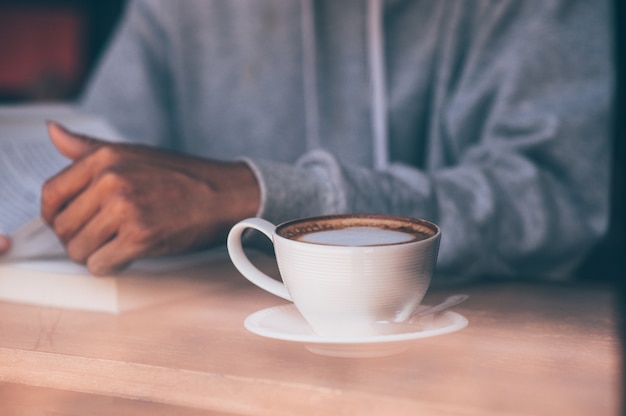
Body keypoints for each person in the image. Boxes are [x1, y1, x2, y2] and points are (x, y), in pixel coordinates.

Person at [0, 0, 613, 280]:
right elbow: (108, 161)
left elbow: (557, 192)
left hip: (484, 361)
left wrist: (259, 195)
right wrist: (46, 217)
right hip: (222, 362)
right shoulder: (178, 11)